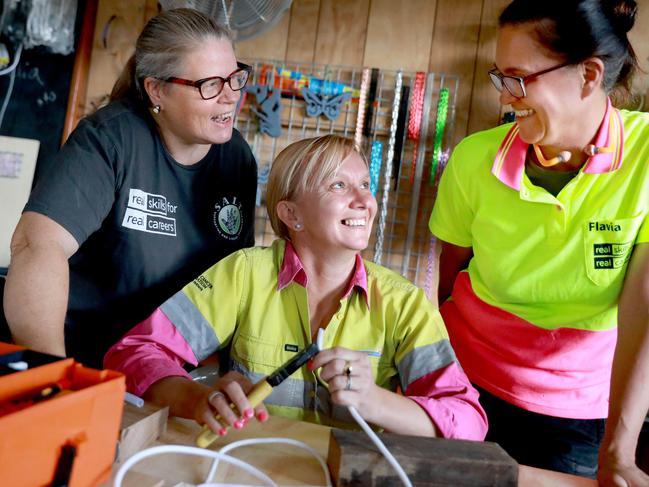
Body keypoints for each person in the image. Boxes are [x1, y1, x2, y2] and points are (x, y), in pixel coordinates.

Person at [104, 135, 488, 440]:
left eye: (365, 185)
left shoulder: (404, 303)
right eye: (339, 185)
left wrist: (375, 401)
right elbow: (136, 351)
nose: (365, 201)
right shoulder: (244, 273)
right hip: (244, 464)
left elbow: (469, 422)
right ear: (292, 214)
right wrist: (200, 398)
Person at [428, 0, 649, 479]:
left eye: (520, 78)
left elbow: (644, 308)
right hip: (463, 384)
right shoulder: (473, 160)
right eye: (501, 78)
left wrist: (619, 449)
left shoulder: (646, 157)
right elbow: (447, 281)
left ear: (589, 75)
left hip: (575, 411)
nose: (506, 97)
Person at [3, 8, 257, 368]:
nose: (231, 96)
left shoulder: (237, 158)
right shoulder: (112, 139)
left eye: (234, 78)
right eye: (210, 84)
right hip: (87, 365)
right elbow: (37, 245)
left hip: (170, 378)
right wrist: (51, 373)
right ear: (156, 90)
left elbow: (235, 279)